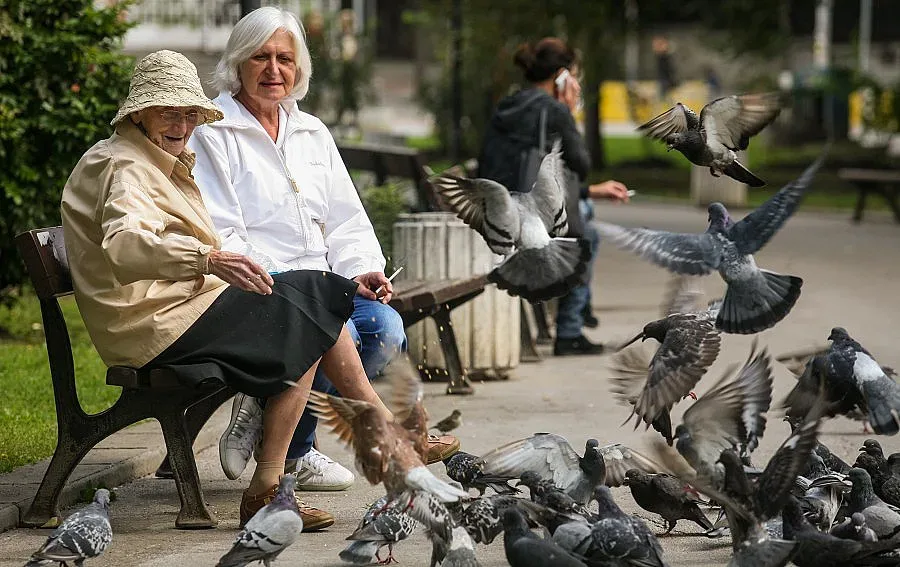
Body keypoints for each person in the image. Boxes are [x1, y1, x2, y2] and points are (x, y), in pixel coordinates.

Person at [60, 49, 395, 533]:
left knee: (310, 300)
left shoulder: (150, 156)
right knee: (303, 309)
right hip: (153, 324)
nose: (182, 124)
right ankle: (344, 449)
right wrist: (208, 258)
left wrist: (217, 264)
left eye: (190, 114)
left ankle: (353, 441)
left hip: (178, 307)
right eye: (169, 113)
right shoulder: (125, 167)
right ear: (139, 113)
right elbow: (126, 244)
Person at [187, 6, 460, 511]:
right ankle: (300, 452)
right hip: (265, 288)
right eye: (261, 57)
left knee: (385, 331)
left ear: (299, 68)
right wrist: (299, 283)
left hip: (327, 285)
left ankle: (267, 406)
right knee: (337, 332)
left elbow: (347, 219)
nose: (274, 70)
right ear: (238, 63)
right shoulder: (214, 133)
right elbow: (223, 231)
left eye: (285, 59)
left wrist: (361, 269)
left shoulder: (311, 131)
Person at [477, 37, 630, 356]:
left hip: (499, 207)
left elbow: (524, 173)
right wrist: (568, 110)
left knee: (584, 206)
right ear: (563, 75)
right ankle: (571, 327)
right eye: (574, 74)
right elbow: (581, 164)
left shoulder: (508, 104)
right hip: (526, 221)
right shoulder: (554, 110)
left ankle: (578, 309)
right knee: (586, 233)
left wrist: (591, 192)